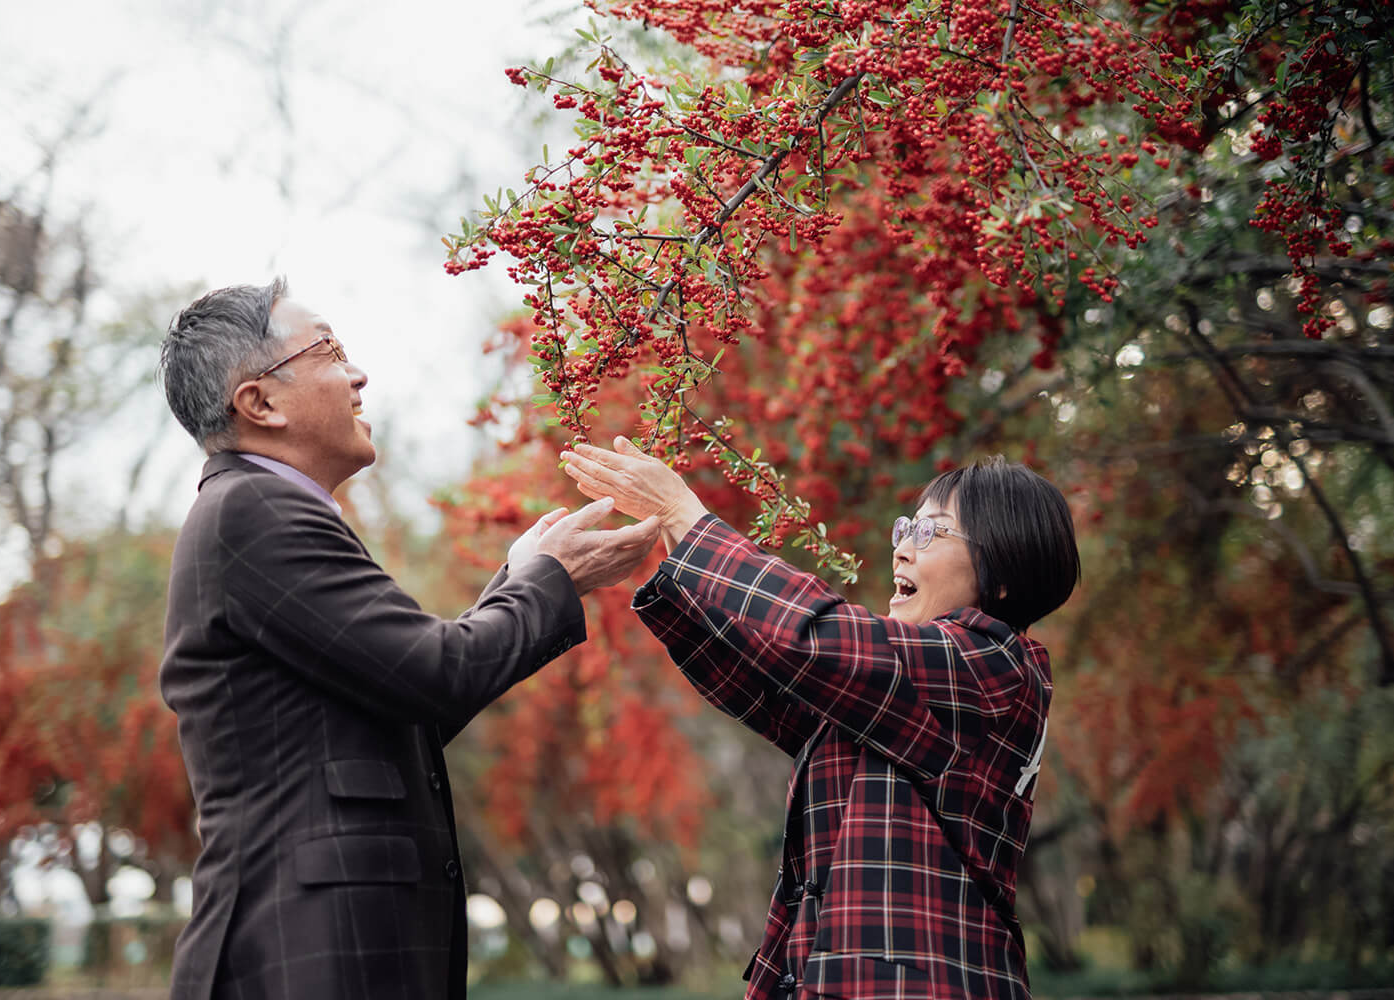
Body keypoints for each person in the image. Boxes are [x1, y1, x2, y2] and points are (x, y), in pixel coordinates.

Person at [157, 280, 659, 1000]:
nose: (358, 374)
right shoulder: (253, 511)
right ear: (260, 404)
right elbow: (434, 673)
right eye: (329, 351)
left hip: (325, 942)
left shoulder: (257, 511)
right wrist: (547, 580)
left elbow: (407, 697)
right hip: (307, 947)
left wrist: (522, 580)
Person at [561, 437, 1080, 1000]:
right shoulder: (910, 691)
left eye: (930, 532)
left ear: (1002, 574)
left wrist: (689, 519)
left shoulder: (993, 668)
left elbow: (821, 639)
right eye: (905, 528)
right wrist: (677, 550)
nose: (902, 549)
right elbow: (770, 689)